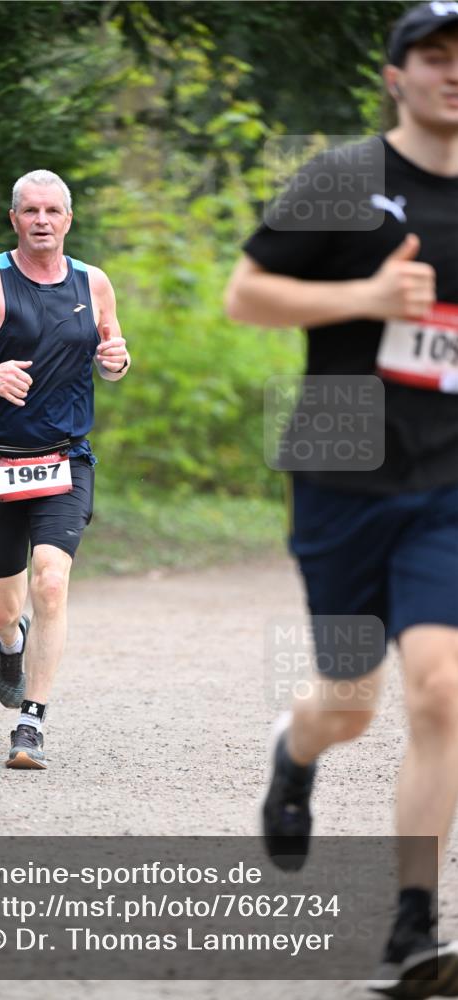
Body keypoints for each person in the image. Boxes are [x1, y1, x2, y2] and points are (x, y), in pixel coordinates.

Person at [225, 3, 458, 995]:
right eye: (435, 56)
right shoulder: (341, 179)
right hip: (340, 468)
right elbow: (246, 295)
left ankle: (413, 922)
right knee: (349, 703)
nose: (453, 73)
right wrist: (362, 300)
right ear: (394, 75)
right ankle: (294, 755)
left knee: (442, 687)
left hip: (450, 477)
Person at [0, 169, 129, 770]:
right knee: (4, 609)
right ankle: (11, 644)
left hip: (66, 458)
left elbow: (110, 358)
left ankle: (31, 722)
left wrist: (118, 359)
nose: (41, 220)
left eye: (52, 211)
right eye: (30, 211)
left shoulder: (94, 282)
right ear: (14, 219)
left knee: (52, 582)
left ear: (68, 219)